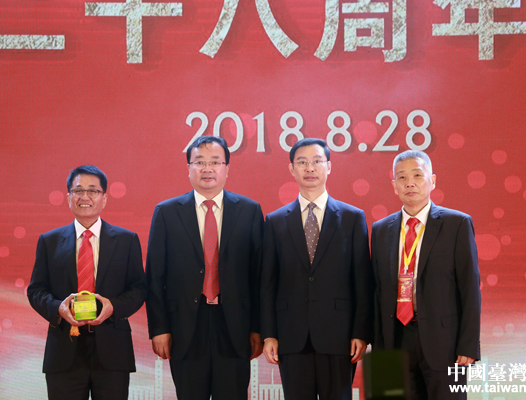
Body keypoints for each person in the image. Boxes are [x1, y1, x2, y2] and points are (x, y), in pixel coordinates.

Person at [146, 136, 264, 400]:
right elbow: (154, 277)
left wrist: (258, 328)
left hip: (235, 326)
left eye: (215, 162)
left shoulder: (249, 211)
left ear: (227, 168)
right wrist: (159, 328)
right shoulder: (167, 212)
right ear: (188, 168)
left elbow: (259, 277)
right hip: (185, 326)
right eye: (199, 162)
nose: (207, 169)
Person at [260, 138, 374, 400]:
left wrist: (360, 332)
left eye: (316, 161)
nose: (309, 168)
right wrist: (269, 335)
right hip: (291, 335)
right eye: (302, 162)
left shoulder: (352, 218)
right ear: (292, 169)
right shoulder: (275, 221)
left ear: (329, 166)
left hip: (339, 336)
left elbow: (362, 282)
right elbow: (268, 283)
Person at [27, 165, 147, 400]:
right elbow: (36, 290)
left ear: (104, 198)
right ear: (68, 198)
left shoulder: (127, 240)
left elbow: (139, 288)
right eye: (78, 190)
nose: (85, 197)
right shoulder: (49, 241)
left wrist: (114, 306)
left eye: (92, 191)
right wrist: (58, 309)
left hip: (112, 350)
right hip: (64, 349)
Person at [371, 150, 481, 399]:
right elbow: (377, 292)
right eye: (402, 177)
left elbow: (469, 288)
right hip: (396, 340)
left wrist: (468, 345)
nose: (409, 183)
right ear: (394, 185)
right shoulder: (381, 230)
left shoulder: (456, 224)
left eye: (417, 175)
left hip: (446, 343)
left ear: (432, 181)